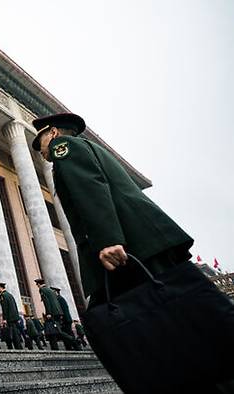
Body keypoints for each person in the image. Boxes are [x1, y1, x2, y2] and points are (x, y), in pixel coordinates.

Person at [32, 113, 234, 390]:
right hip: (146, 242)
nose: (40, 150)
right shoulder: (90, 148)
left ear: (53, 133)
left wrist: (109, 240)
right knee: (181, 318)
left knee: (145, 323)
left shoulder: (63, 150)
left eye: (40, 141)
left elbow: (90, 187)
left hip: (127, 249)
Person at [34, 278, 79, 350]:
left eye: (37, 284)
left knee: (57, 330)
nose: (37, 286)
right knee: (55, 330)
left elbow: (46, 302)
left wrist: (48, 313)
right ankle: (55, 347)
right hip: (58, 312)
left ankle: (73, 340)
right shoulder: (50, 290)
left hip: (52, 313)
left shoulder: (42, 290)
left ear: (39, 284)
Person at [0, 282, 23, 350]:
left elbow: (5, 308)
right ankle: (18, 346)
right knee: (15, 332)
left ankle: (17, 347)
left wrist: (4, 319)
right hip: (14, 317)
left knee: (13, 333)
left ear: (1, 288)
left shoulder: (3, 295)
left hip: (10, 317)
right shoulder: (9, 295)